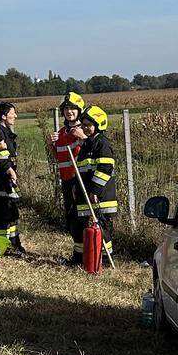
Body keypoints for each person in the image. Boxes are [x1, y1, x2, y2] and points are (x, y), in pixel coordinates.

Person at [73, 106, 117, 264]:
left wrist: (95, 191)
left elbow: (105, 169)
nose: (84, 128)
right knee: (83, 227)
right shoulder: (87, 144)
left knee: (102, 228)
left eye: (88, 125)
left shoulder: (102, 144)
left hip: (100, 197)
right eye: (83, 125)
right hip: (86, 195)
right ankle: (85, 258)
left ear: (98, 125)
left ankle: (105, 259)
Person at [46, 91, 86, 262]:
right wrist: (51, 144)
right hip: (67, 181)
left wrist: (83, 137)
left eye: (73, 109)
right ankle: (78, 253)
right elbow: (58, 157)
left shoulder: (84, 129)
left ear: (79, 110)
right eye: (66, 109)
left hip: (80, 181)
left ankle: (85, 255)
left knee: (81, 218)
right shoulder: (61, 132)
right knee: (71, 218)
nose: (69, 112)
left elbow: (93, 149)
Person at [0, 102, 25, 258]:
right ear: (4, 116)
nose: (16, 116)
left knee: (11, 212)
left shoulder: (6, 131)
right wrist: (9, 169)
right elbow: (0, 156)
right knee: (0, 214)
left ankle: (13, 243)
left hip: (7, 179)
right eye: (13, 113)